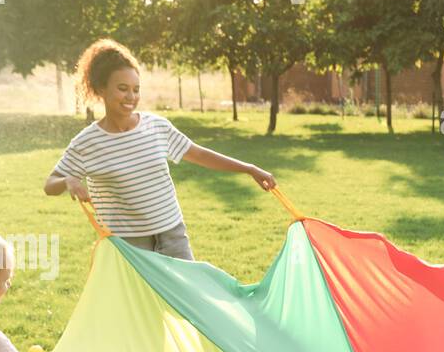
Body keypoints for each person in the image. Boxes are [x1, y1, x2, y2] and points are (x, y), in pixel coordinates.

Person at [43, 38, 277, 260]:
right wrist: (68, 181)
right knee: (137, 303)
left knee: (188, 298)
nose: (131, 96)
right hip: (127, 245)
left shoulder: (156, 126)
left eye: (136, 89)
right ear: (101, 89)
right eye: (122, 88)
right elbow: (50, 184)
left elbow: (199, 154)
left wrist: (249, 168)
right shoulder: (87, 143)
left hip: (172, 234)